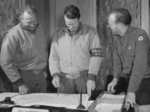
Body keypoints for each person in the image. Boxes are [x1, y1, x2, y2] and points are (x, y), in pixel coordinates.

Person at [49, 5, 103, 96]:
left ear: (79, 19)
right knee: (63, 108)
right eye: (68, 23)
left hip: (84, 78)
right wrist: (55, 74)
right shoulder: (57, 35)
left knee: (85, 107)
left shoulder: (91, 32)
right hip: (64, 80)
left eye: (73, 24)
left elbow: (96, 56)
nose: (70, 27)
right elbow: (53, 57)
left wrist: (91, 77)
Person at [106, 8, 150, 109]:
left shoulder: (140, 35)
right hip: (129, 80)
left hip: (144, 82)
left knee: (142, 109)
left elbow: (139, 66)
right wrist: (115, 79)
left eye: (110, 23)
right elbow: (116, 60)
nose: (108, 26)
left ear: (119, 24)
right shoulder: (116, 37)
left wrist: (131, 91)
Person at [0, 6, 49, 94]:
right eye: (29, 22)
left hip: (41, 76)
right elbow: (4, 62)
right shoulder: (12, 35)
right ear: (20, 20)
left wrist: (44, 71)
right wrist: (19, 83)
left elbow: (42, 51)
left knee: (42, 106)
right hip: (23, 78)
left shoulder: (39, 29)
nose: (33, 24)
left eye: (35, 21)